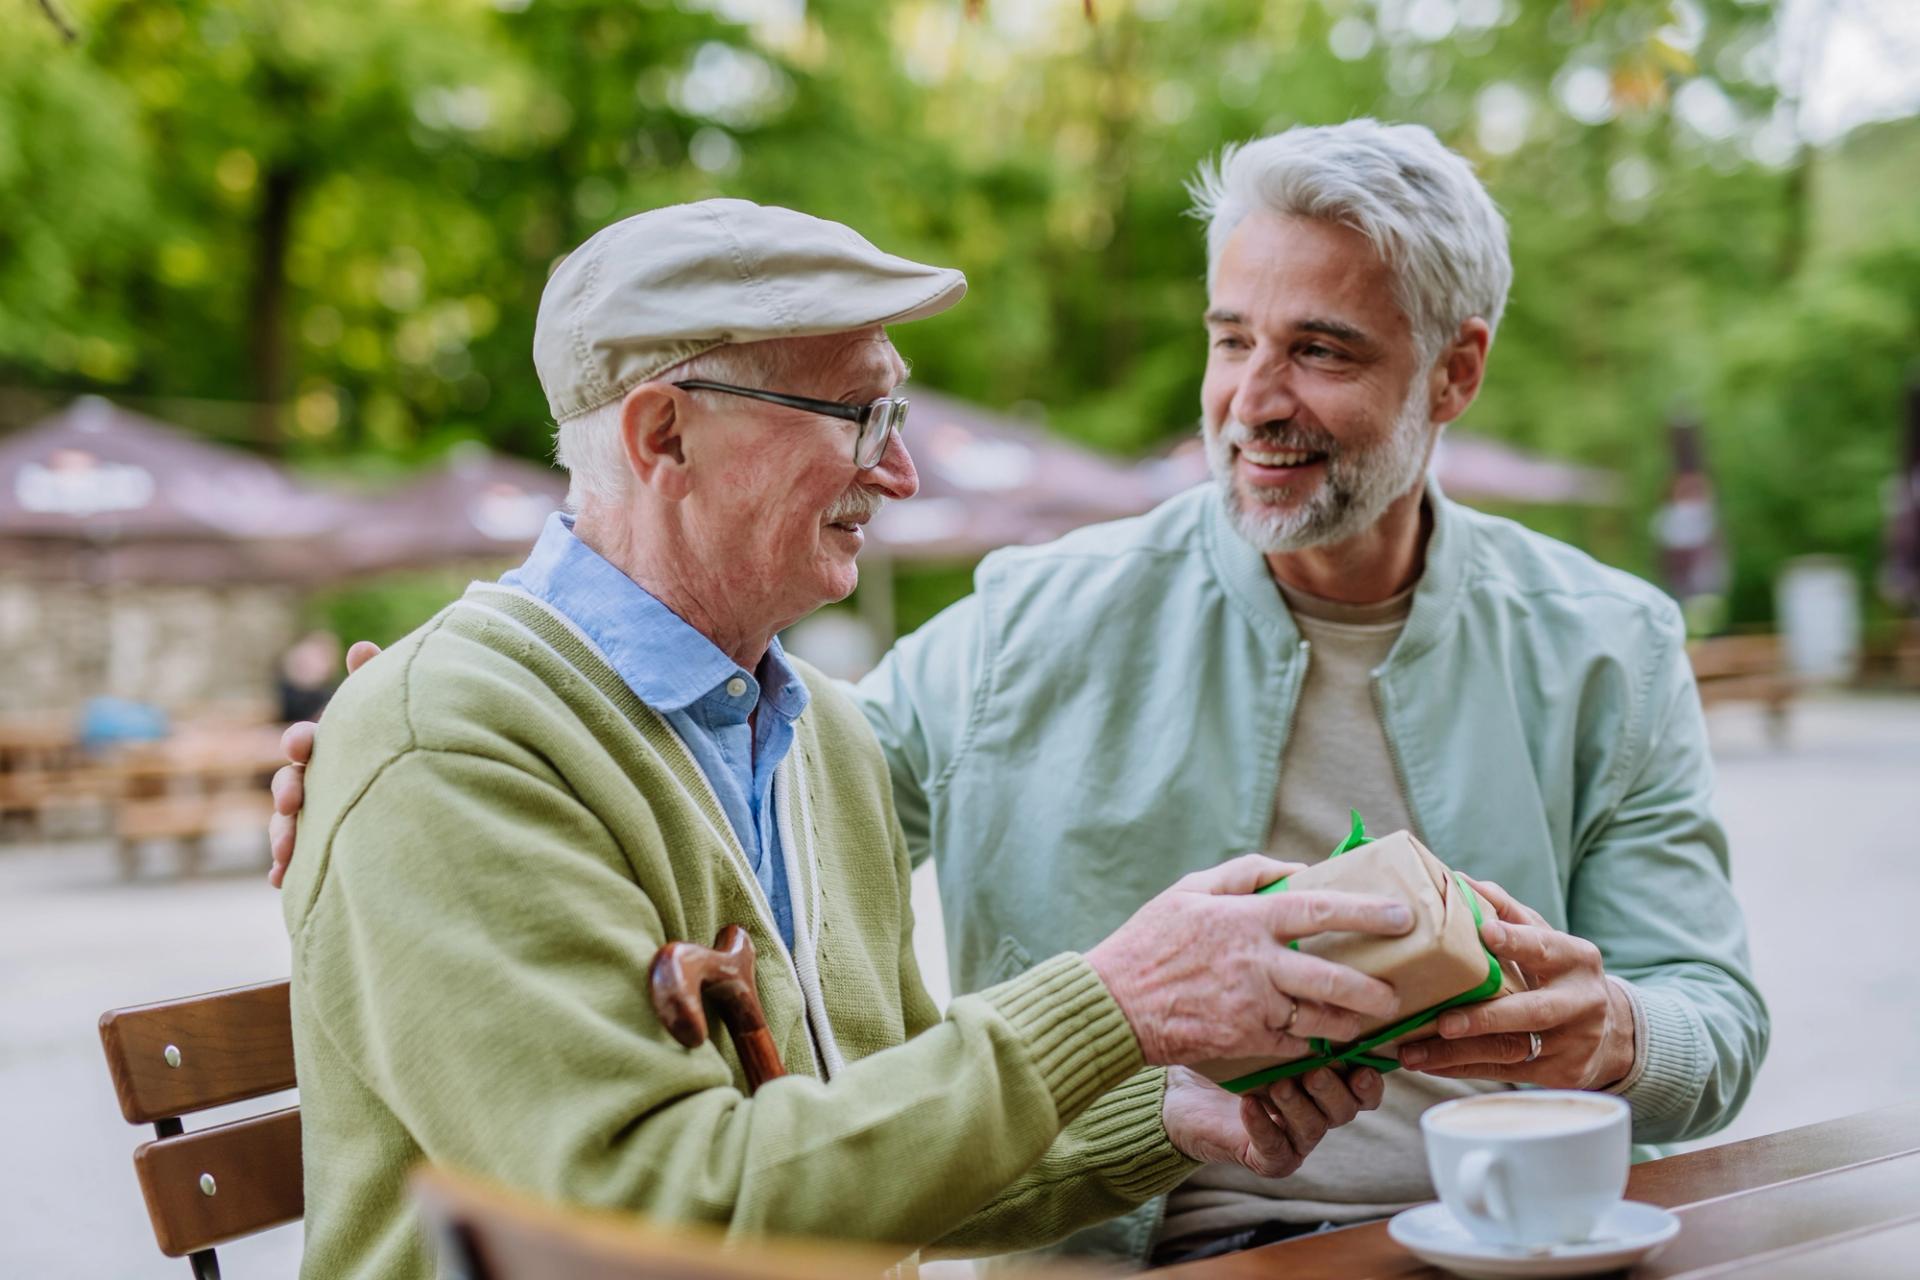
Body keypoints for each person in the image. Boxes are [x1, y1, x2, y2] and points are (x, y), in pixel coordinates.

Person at [275, 122, 1769, 1267]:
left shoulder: (803, 737)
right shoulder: (968, 654)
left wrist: (1178, 1108)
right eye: (859, 415)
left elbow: (884, 1133)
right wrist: (383, 740)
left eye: (1319, 349)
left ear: (1456, 375)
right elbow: (653, 1220)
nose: (906, 471)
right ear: (664, 432)